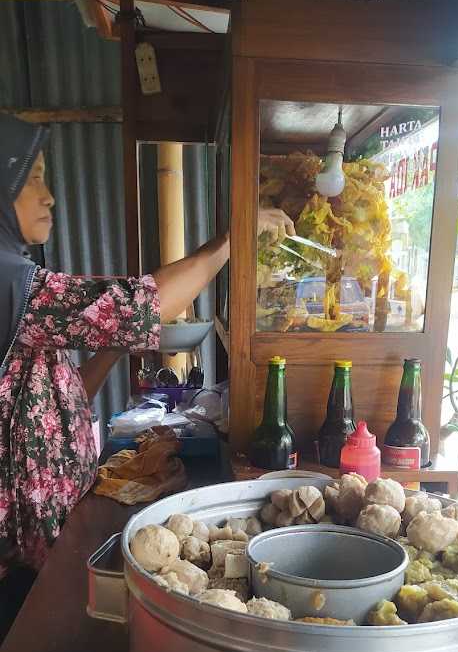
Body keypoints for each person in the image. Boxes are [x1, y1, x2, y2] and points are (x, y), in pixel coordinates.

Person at [0, 115, 293, 617]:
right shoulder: (7, 279)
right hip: (13, 558)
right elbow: (138, 306)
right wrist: (230, 239)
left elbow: (58, 400)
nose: (49, 196)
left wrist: (114, 344)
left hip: (51, 531)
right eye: (33, 179)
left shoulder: (18, 276)